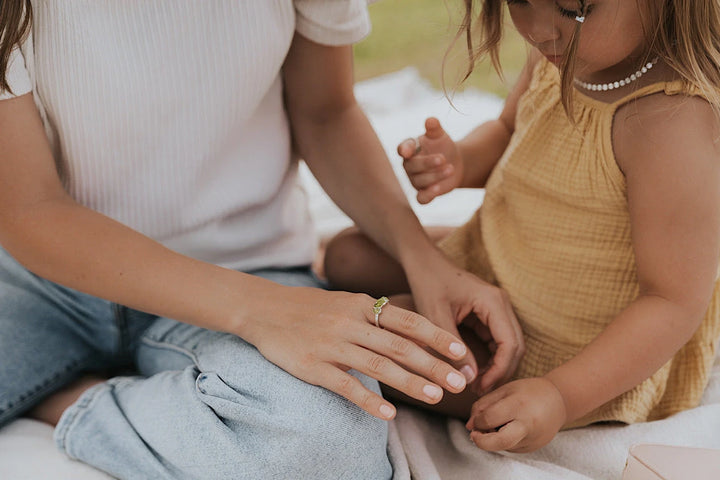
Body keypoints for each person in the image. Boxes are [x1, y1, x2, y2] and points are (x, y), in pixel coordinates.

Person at [0, 1, 527, 479]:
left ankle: (75, 401)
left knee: (332, 440)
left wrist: (424, 263)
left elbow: (326, 111)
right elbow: (30, 210)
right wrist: (266, 314)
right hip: (39, 284)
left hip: (249, 266)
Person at [324, 0, 720, 454]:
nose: (536, 29)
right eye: (519, 2)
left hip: (565, 347)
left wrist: (559, 394)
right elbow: (510, 130)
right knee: (347, 255)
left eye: (572, 8)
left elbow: (673, 301)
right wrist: (458, 163)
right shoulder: (561, 53)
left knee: (372, 338)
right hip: (496, 260)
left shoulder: (669, 124)